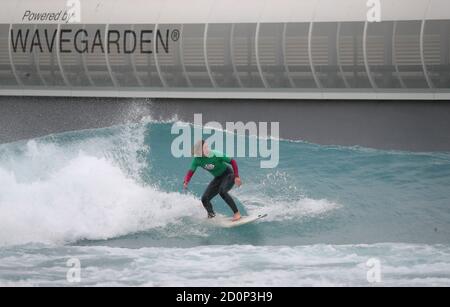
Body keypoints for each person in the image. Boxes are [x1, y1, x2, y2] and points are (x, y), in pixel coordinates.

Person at [183, 140, 242, 221]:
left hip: (228, 175)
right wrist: (186, 181)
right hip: (218, 178)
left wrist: (236, 176)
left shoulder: (215, 154)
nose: (208, 149)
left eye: (207, 147)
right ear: (200, 152)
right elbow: (191, 171)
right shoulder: (197, 160)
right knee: (204, 198)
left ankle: (237, 214)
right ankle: (211, 216)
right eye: (205, 148)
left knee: (222, 191)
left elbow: (233, 161)